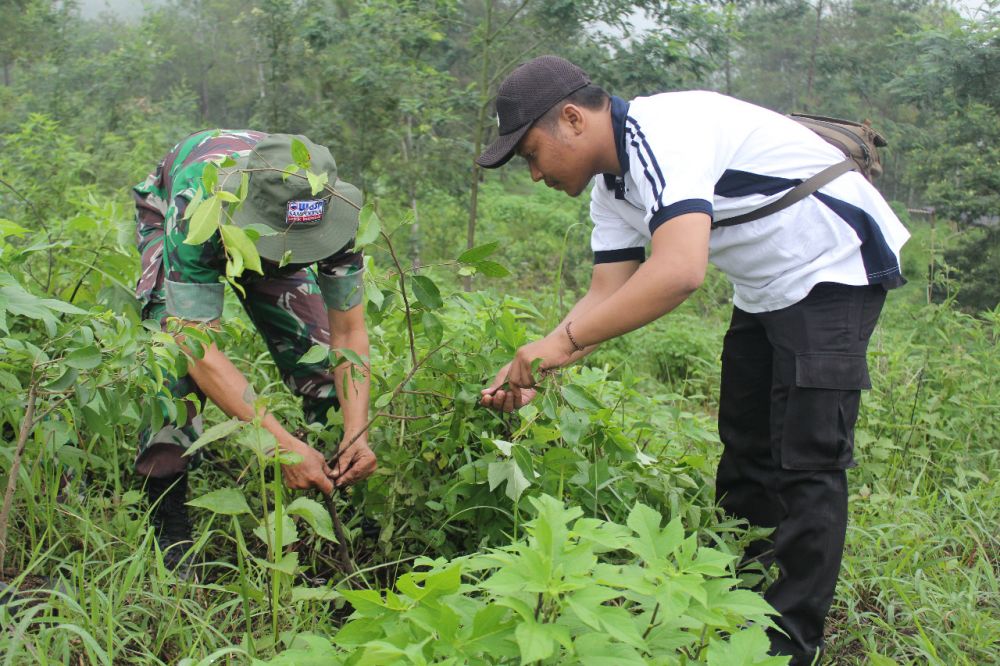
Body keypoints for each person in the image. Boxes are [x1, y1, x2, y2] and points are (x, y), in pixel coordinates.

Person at [476, 56, 908, 664]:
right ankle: (736, 606)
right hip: (765, 285)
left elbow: (679, 271)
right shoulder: (612, 189)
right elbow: (606, 296)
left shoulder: (663, 132)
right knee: (746, 448)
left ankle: (787, 646)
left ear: (572, 119)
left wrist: (561, 343)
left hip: (831, 263)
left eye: (531, 153)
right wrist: (538, 363)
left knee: (806, 461)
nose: (535, 173)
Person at [133, 130, 376, 570]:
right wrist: (279, 444)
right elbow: (194, 344)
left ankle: (335, 485)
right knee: (173, 364)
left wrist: (356, 431)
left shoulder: (336, 210)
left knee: (318, 353)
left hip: (273, 226)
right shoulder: (195, 206)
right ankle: (166, 513)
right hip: (203, 220)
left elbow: (349, 333)